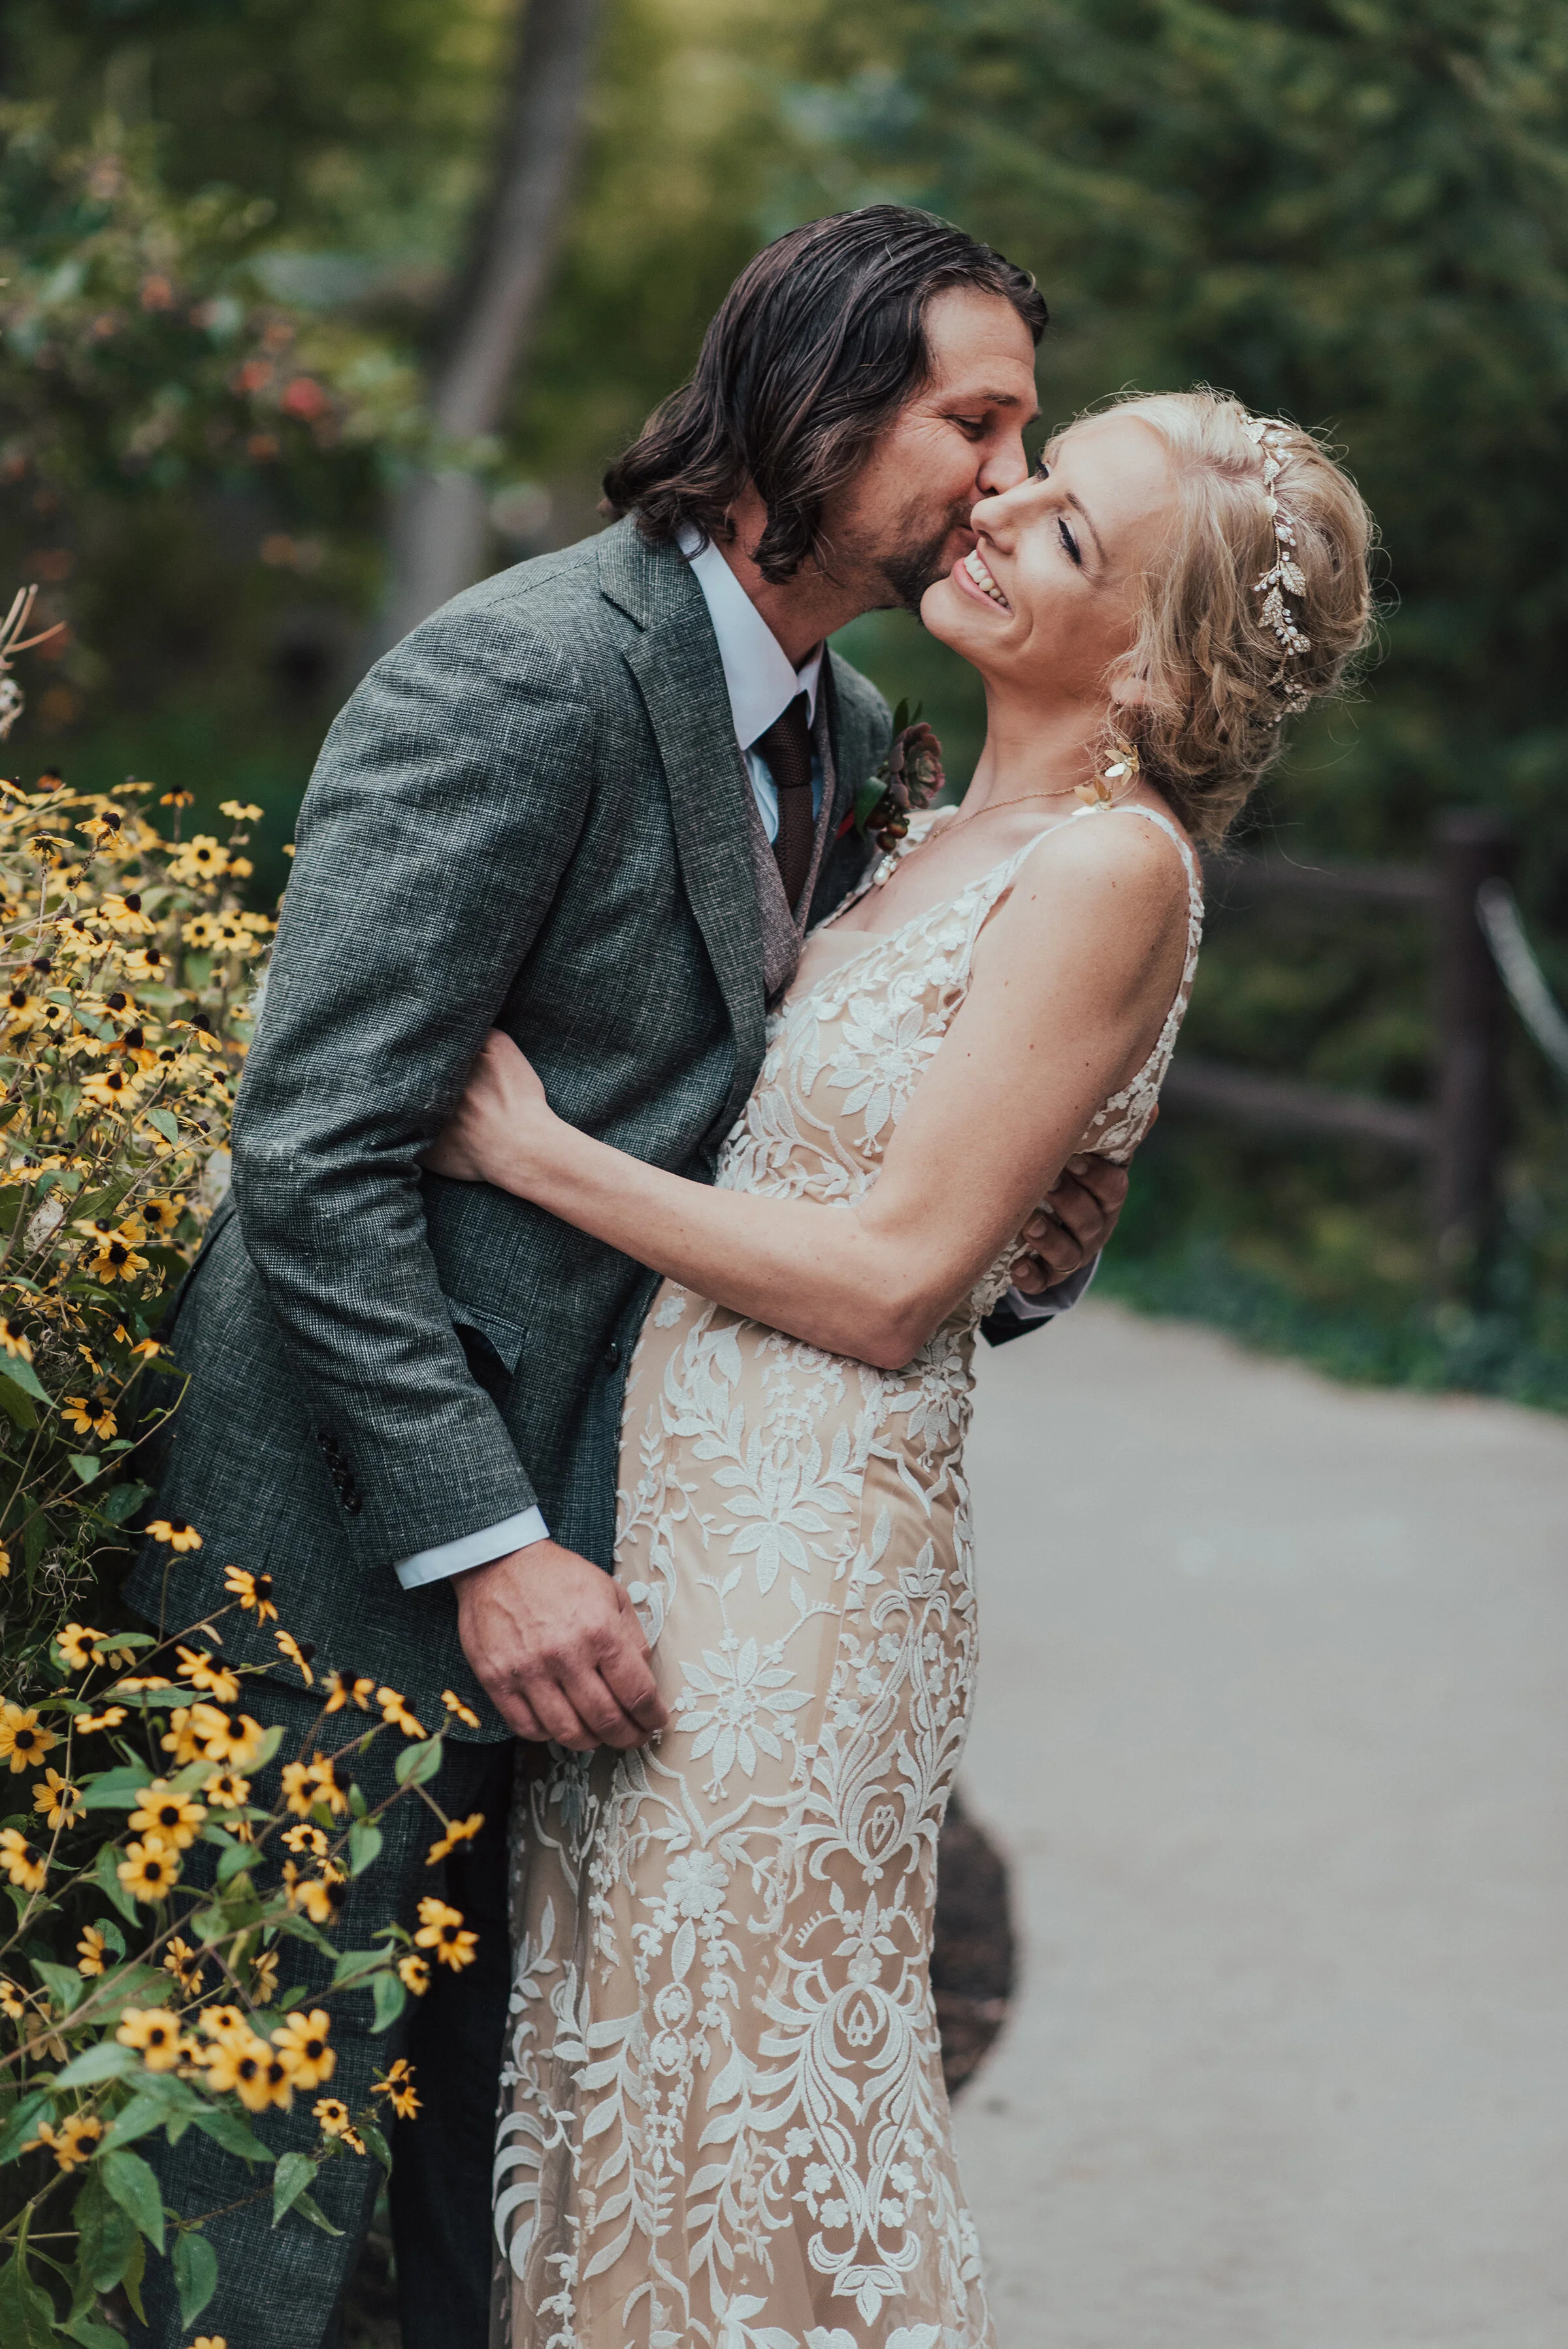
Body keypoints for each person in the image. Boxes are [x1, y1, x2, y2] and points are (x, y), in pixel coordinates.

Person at [123, 208, 1130, 2349]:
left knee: (506, 2220)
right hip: (349, 1570)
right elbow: (314, 1149)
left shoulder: (857, 732)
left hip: (642, 1604)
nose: (1011, 480)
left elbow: (827, 1135)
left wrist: (1016, 1245)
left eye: (1026, 434)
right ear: (816, 408)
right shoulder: (522, 672)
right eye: (976, 422)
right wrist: (485, 1543)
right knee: (237, 2232)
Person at [425, 387, 1377, 2348]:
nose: (997, 512)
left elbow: (890, 1282)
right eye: (1034, 475)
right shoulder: (926, 823)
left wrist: (531, 1151)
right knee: (633, 2090)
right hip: (683, 1515)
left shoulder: (1111, 872)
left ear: (1158, 658)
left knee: (746, 2114)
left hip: (806, 1571)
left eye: (1069, 531)